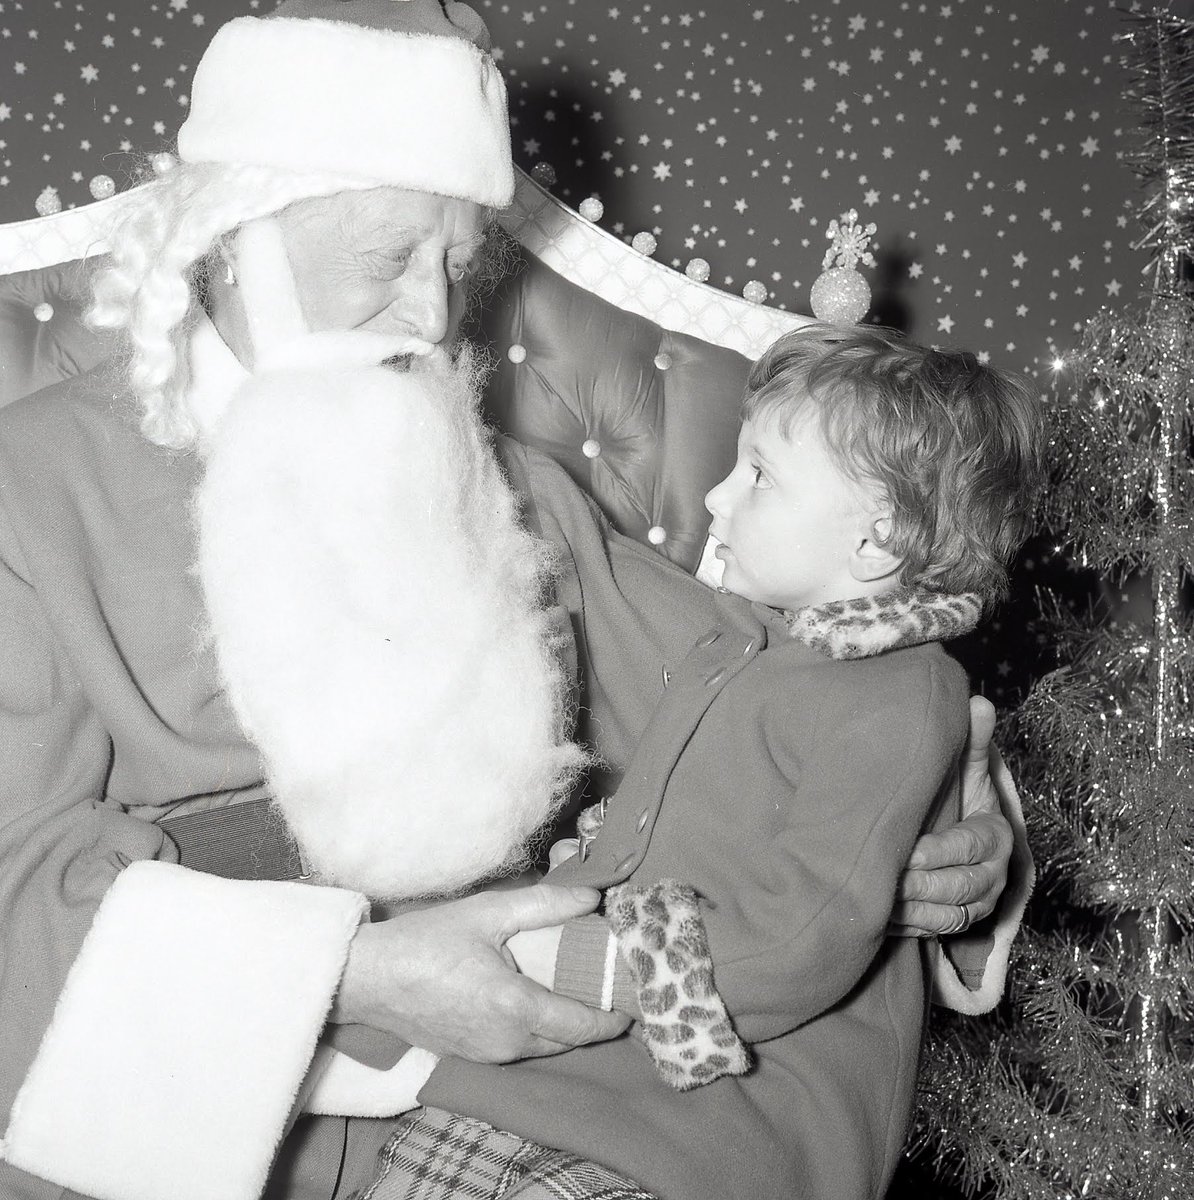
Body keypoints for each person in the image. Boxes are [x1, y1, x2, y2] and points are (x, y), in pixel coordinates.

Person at [0, 3, 1022, 1199]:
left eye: (456, 262)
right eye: (387, 259)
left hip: (531, 1096)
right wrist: (349, 975)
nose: (435, 318)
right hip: (184, 1128)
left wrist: (944, 823)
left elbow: (768, 681)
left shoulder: (509, 488)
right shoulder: (31, 494)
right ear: (234, 235)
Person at [350, 325, 1044, 1200]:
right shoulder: (744, 647)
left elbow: (798, 941)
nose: (717, 499)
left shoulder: (904, 696)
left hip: (724, 1128)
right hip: (565, 1077)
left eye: (758, 476)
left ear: (877, 541)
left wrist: (570, 956)